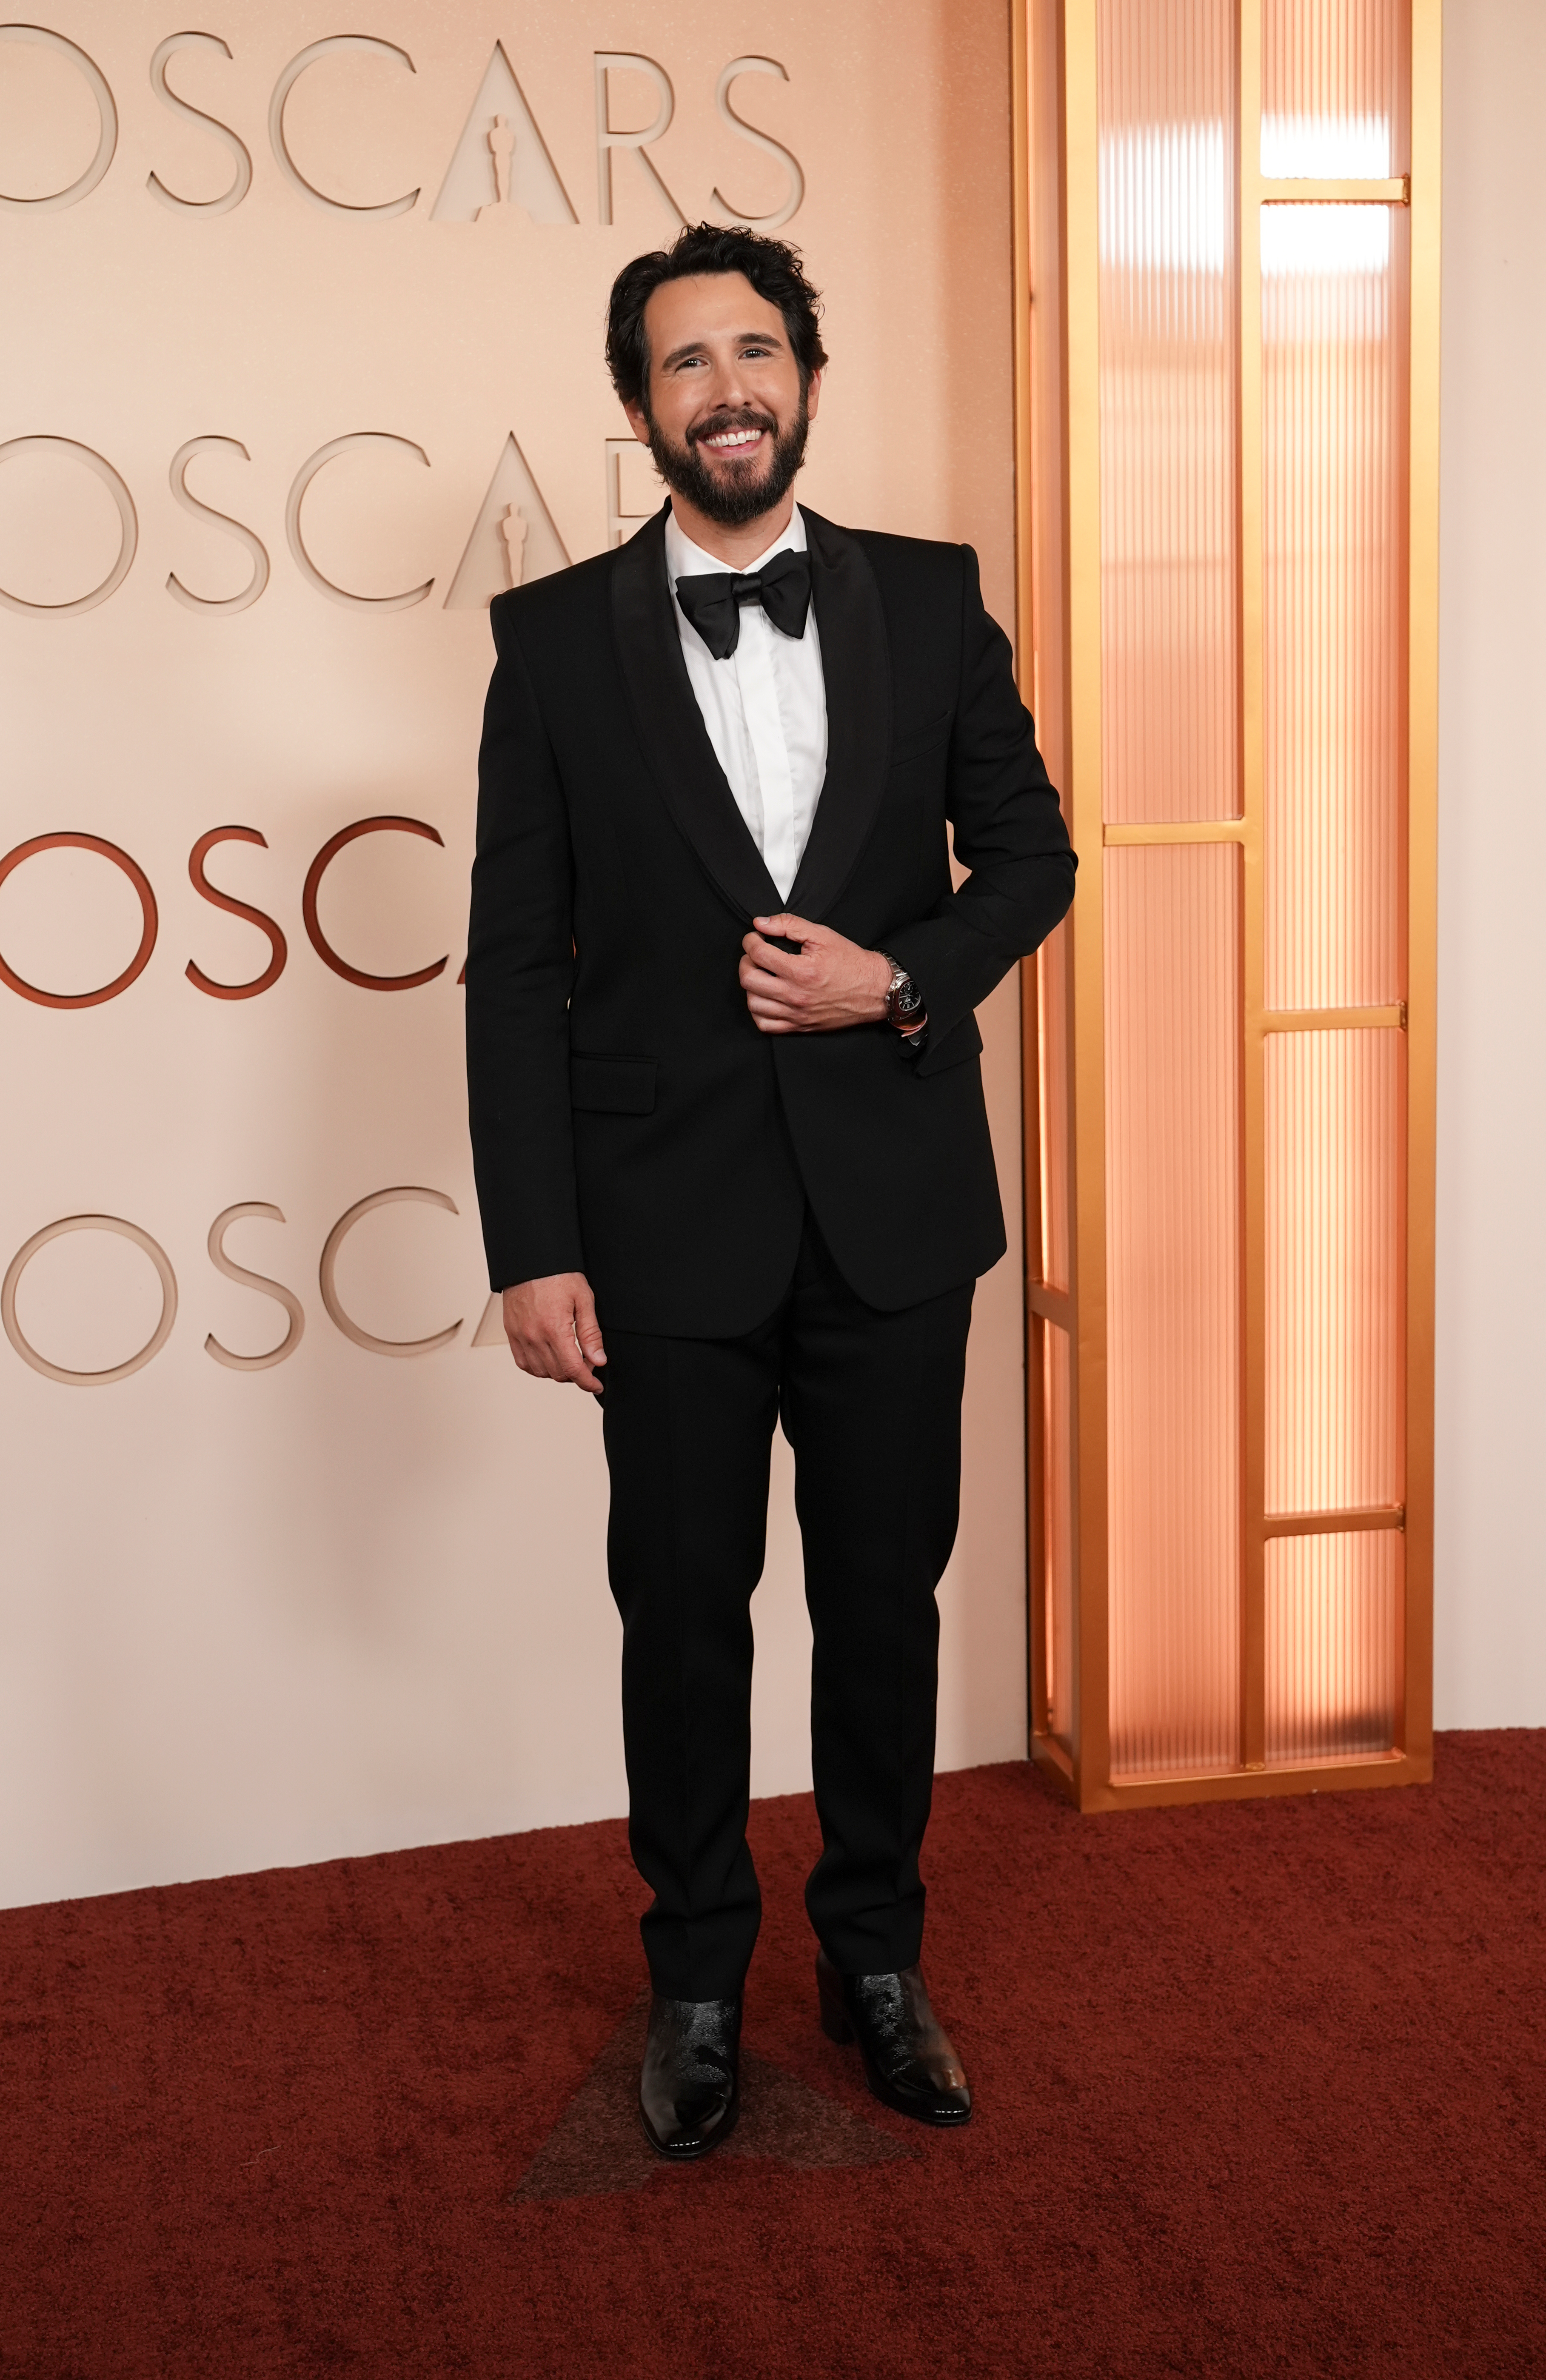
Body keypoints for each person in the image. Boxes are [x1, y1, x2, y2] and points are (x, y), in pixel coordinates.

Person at [465, 223, 1075, 2161]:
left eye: (754, 351)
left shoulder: (933, 596)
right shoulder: (554, 640)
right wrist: (534, 1241)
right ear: (639, 407)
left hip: (896, 1208)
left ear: (808, 373)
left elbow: (1034, 861)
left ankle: (876, 1959)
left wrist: (901, 975)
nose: (724, 389)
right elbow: (514, 964)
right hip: (661, 1226)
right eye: (681, 364)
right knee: (686, 1610)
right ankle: (701, 1980)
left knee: (884, 1602)